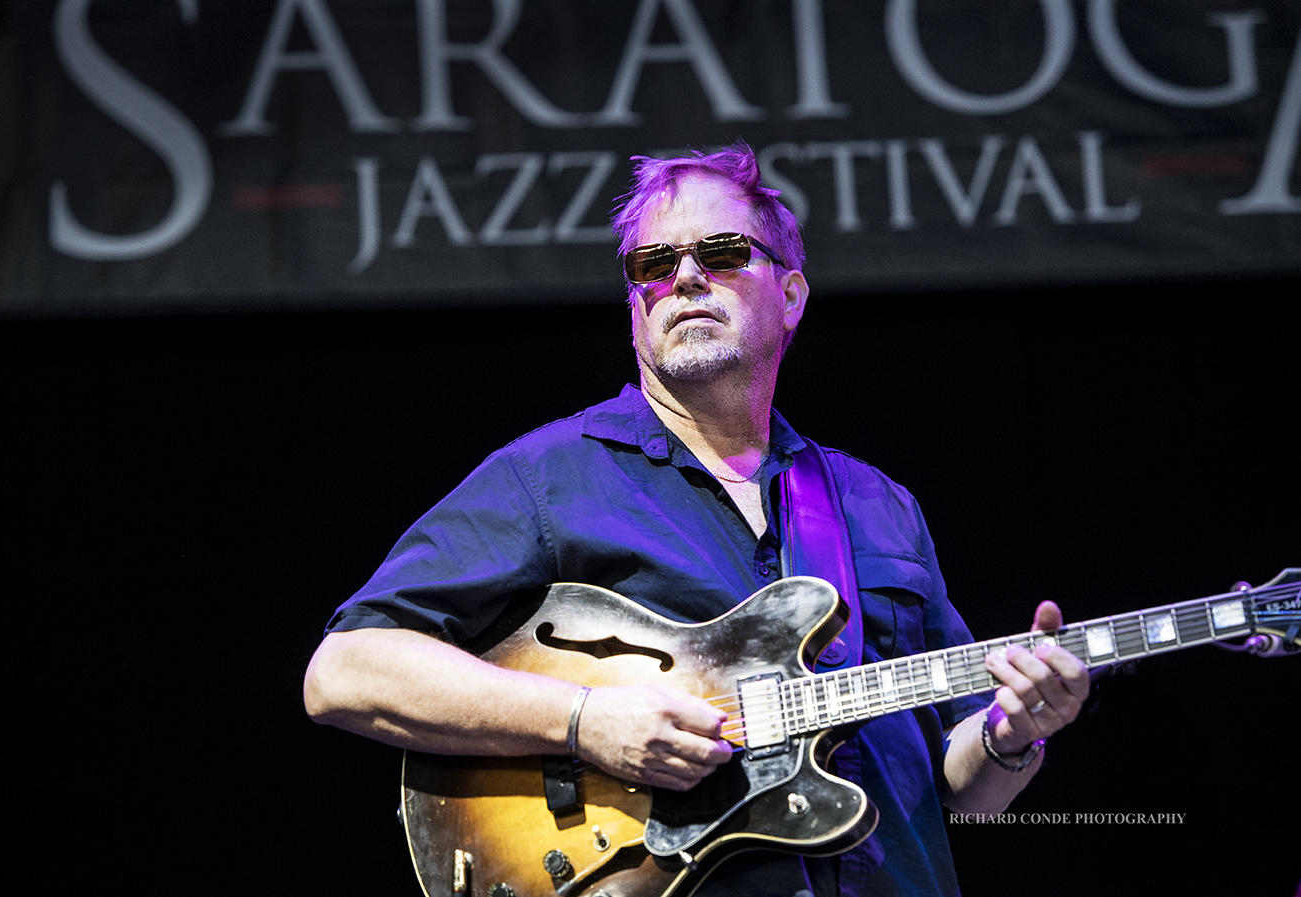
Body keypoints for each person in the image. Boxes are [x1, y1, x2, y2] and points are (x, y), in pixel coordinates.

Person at [304, 143, 1090, 897]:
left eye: (720, 254)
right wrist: (585, 719)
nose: (684, 277)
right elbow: (345, 671)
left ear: (790, 295)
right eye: (654, 263)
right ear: (635, 305)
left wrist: (1013, 734)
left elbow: (963, 790)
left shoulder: (877, 504)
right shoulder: (548, 477)